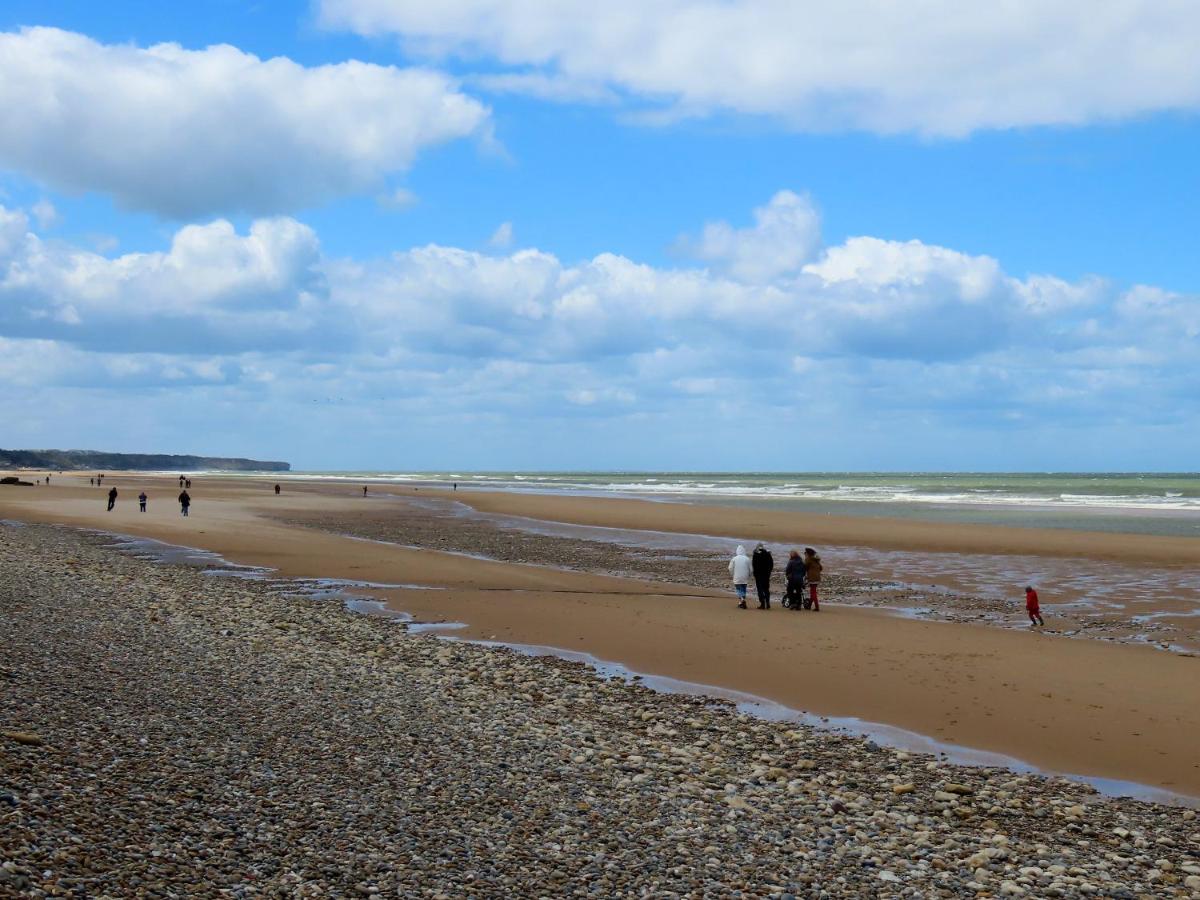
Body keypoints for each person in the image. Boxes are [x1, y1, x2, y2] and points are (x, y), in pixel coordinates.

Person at [728, 545, 752, 609]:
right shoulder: (747, 559)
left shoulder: (734, 559)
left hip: (737, 577)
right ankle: (741, 601)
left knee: (738, 589)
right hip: (745, 577)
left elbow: (730, 568)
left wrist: (733, 574)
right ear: (744, 551)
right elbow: (751, 569)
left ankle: (742, 600)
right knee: (743, 589)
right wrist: (749, 575)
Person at [751, 542, 774, 609]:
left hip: (758, 575)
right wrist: (769, 572)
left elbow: (754, 565)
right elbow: (771, 564)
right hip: (766, 575)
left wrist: (755, 573)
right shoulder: (768, 554)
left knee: (760, 589)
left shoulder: (755, 554)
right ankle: (767, 602)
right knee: (766, 589)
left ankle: (762, 603)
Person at [804, 547, 823, 612]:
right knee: (812, 591)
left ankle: (817, 607)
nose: (805, 554)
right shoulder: (816, 559)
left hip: (812, 578)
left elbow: (805, 567)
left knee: (813, 592)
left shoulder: (809, 559)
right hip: (817, 578)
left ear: (808, 553)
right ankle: (809, 605)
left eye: (805, 553)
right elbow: (821, 568)